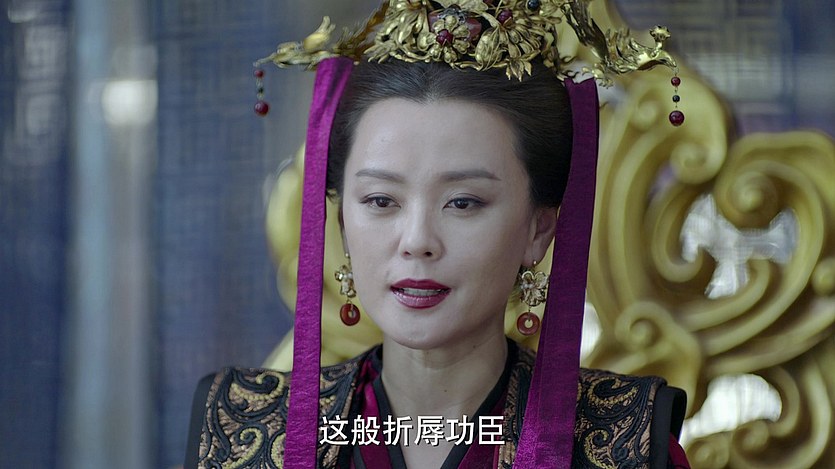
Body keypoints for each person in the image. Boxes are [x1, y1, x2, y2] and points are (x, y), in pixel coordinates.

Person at [186, 1, 690, 467]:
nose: (417, 240)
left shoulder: (624, 439)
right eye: (381, 200)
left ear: (539, 230)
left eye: (462, 202)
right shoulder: (245, 430)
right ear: (341, 223)